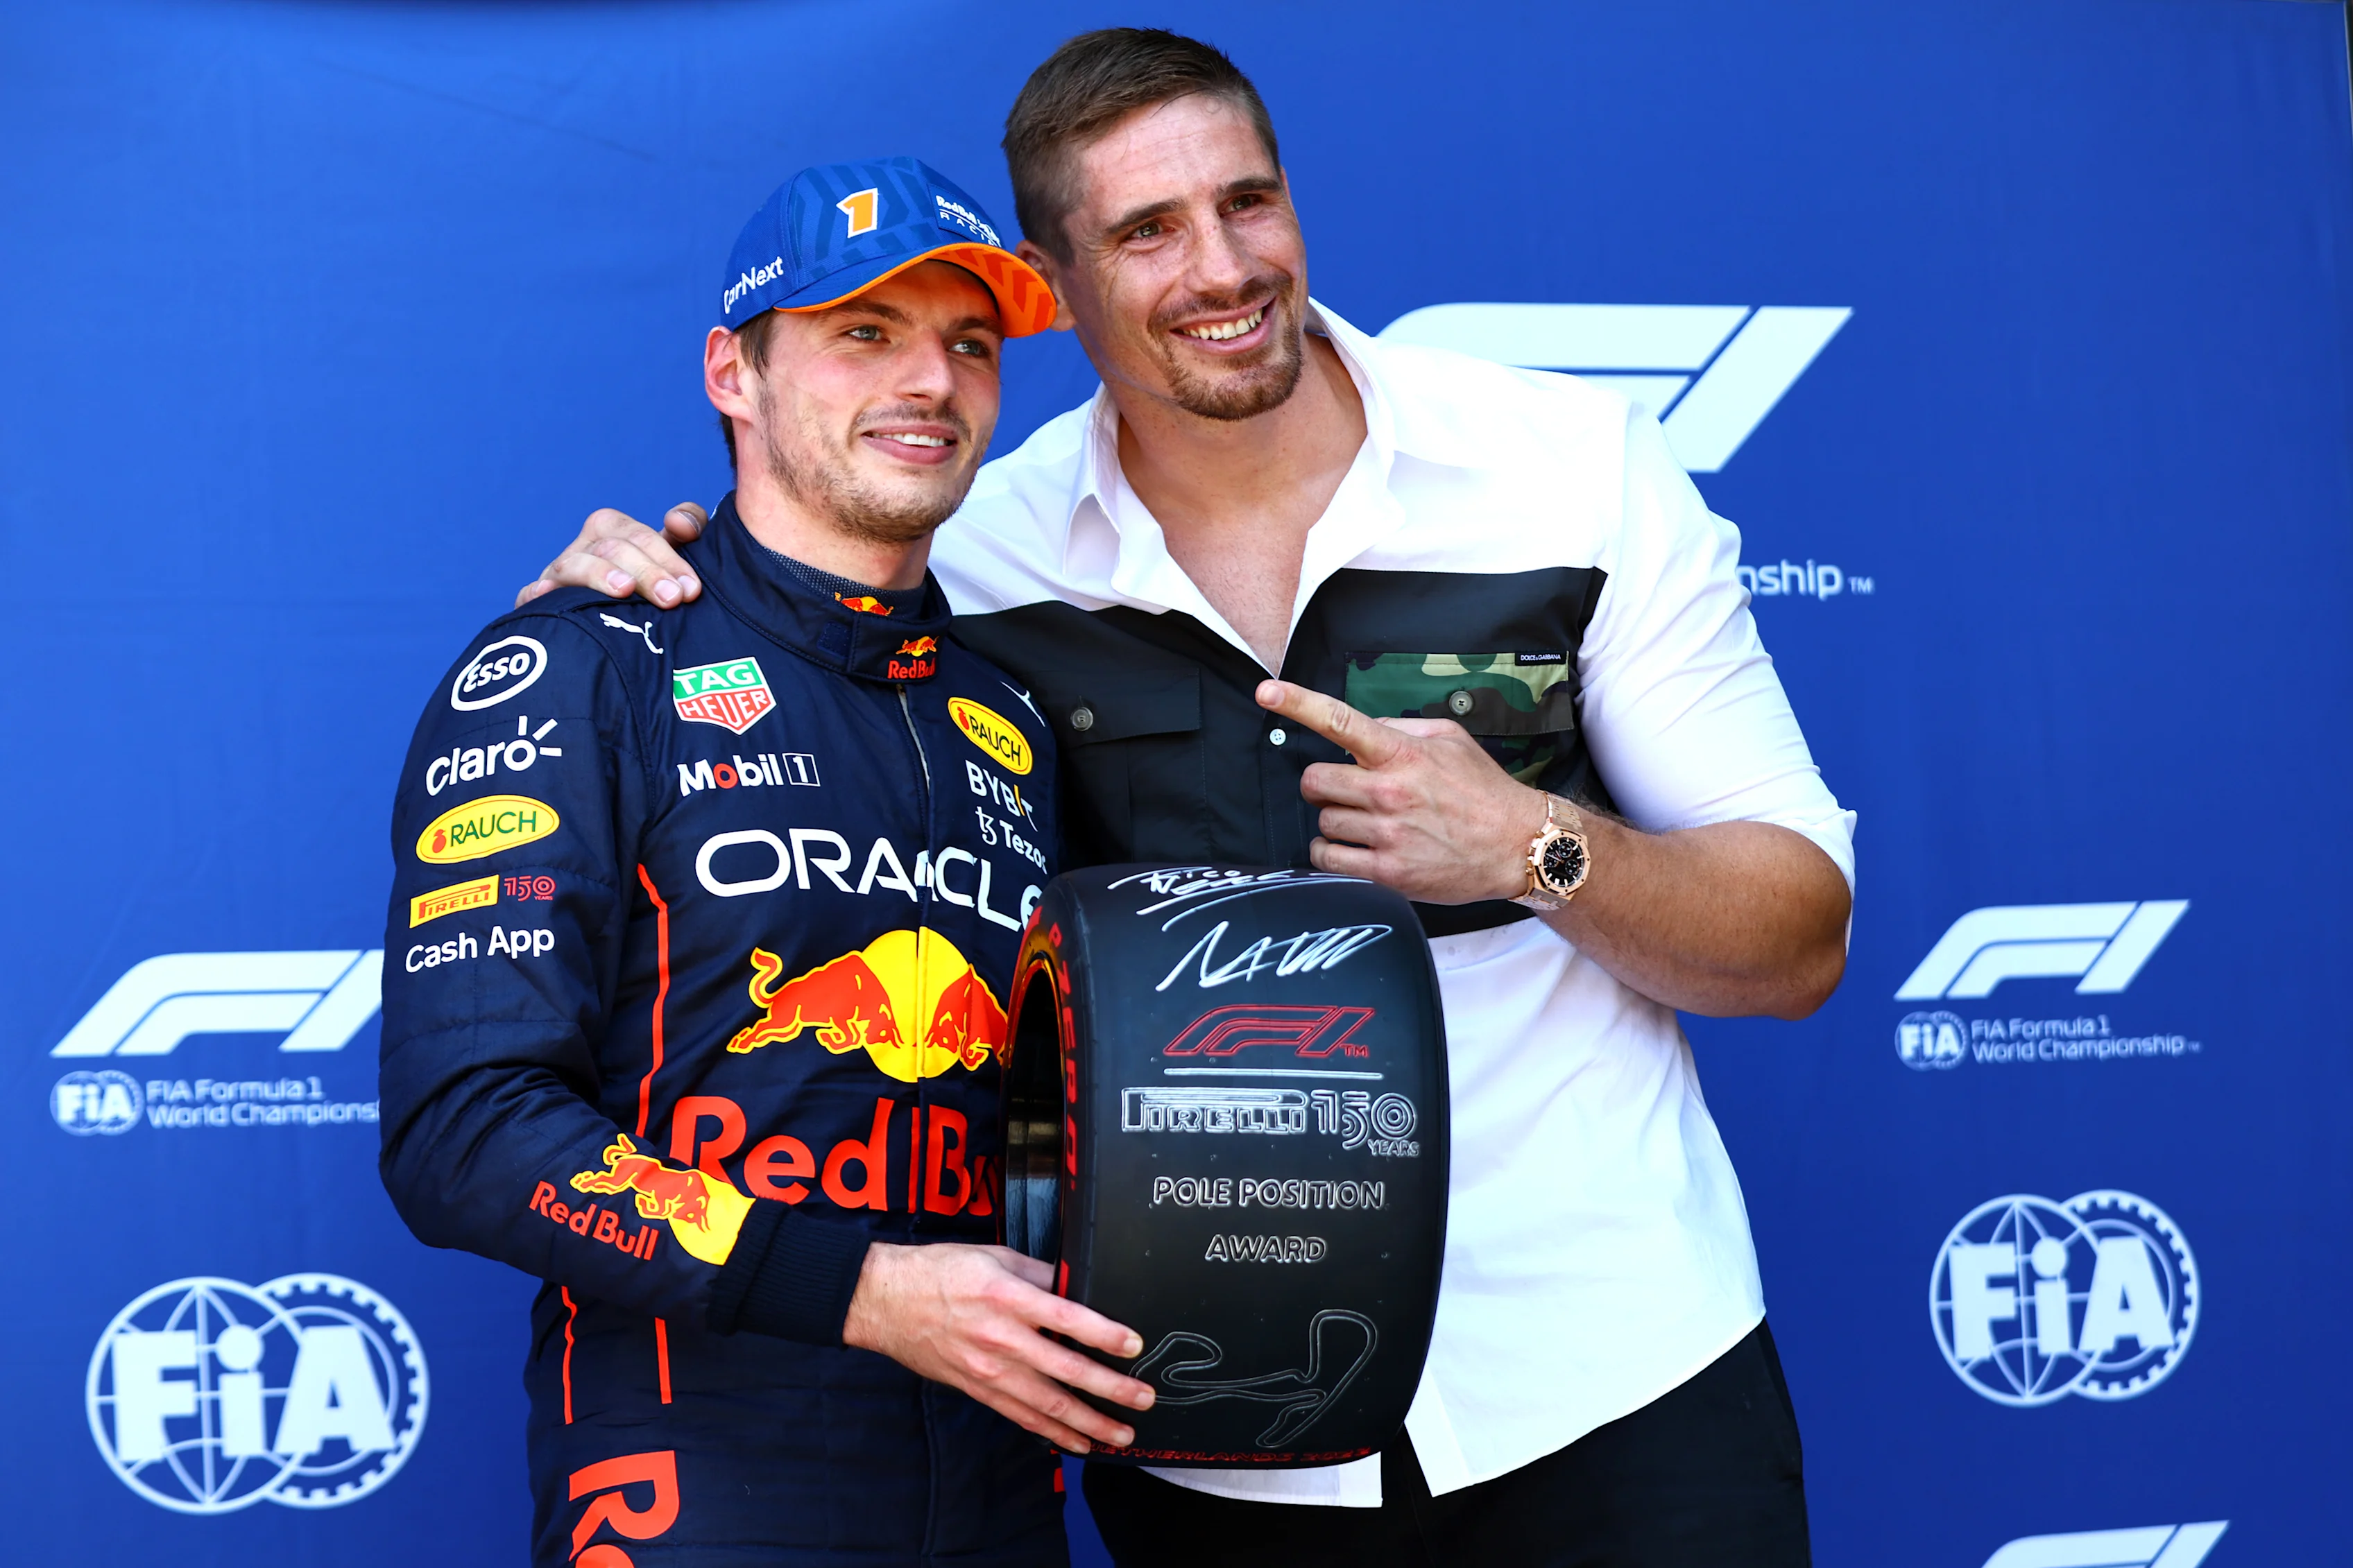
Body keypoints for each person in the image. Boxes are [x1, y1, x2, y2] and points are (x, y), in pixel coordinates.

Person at [529, 29, 1854, 1568]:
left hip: (1619, 1379)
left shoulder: (1573, 468)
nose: (1221, 268)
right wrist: (624, 601)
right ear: (1052, 285)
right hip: (1208, 1435)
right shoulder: (974, 559)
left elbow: (1797, 934)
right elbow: (768, 595)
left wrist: (1531, 844)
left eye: (1248, 203)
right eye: (1145, 232)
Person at [381, 156, 1154, 1568]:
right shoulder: (575, 663)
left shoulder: (1015, 717)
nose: (932, 379)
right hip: (701, 1474)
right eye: (865, 330)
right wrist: (864, 1289)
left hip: (998, 1479)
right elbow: (465, 1128)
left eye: (969, 344)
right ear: (732, 372)